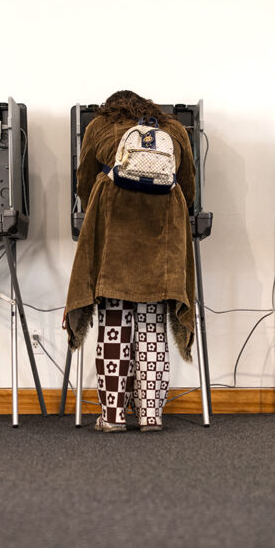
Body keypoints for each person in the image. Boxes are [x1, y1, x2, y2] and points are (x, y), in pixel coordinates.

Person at [64, 90, 196, 432]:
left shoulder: (99, 126)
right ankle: (151, 415)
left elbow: (83, 181)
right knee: (152, 324)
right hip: (163, 232)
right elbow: (189, 185)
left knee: (114, 324)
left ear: (111, 108)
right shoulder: (175, 129)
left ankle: (112, 417)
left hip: (114, 229)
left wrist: (94, 202)